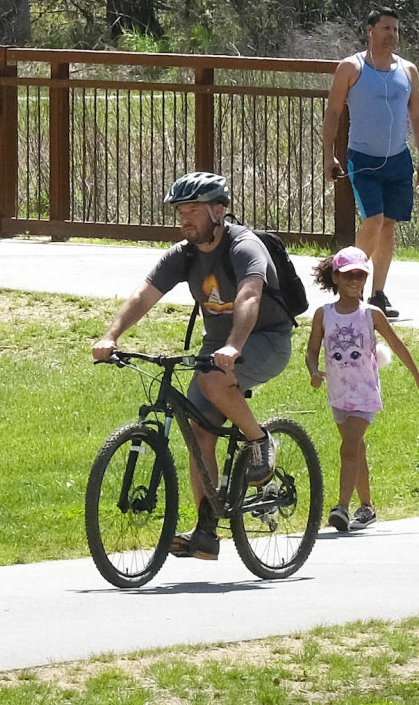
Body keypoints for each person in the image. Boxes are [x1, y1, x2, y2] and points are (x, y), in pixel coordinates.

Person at [90, 172, 297, 560]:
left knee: (212, 383)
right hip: (218, 347)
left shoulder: (244, 246)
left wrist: (234, 346)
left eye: (193, 211)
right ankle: (206, 531)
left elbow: (250, 296)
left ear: (219, 211)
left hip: (265, 339)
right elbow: (144, 294)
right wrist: (111, 334)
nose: (185, 219)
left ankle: (260, 440)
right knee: (200, 433)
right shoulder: (184, 254)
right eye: (180, 211)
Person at [304, 246, 419, 532]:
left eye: (360, 276)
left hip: (364, 393)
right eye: (348, 275)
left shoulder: (371, 314)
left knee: (349, 447)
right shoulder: (323, 315)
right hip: (338, 394)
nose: (355, 281)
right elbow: (312, 350)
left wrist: (418, 377)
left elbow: (398, 345)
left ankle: (341, 507)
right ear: (335, 278)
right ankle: (367, 507)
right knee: (356, 449)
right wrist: (314, 372)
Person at [322, 8, 419, 317]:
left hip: (398, 159)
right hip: (363, 159)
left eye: (396, 29)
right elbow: (332, 112)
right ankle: (347, 285)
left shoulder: (408, 70)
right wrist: (328, 154)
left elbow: (417, 115)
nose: (392, 35)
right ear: (369, 30)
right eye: (386, 28)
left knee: (388, 225)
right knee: (373, 219)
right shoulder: (351, 67)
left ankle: (378, 294)